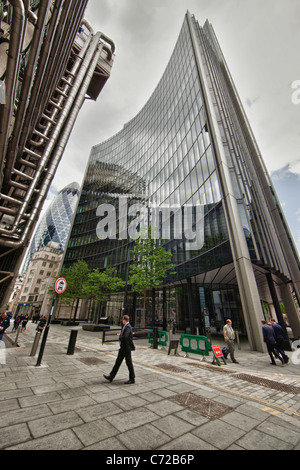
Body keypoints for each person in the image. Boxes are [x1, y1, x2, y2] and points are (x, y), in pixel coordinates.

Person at [104, 315, 135, 384]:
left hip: (126, 348)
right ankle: (111, 376)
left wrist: (120, 338)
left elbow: (126, 336)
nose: (122, 321)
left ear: (125, 320)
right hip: (123, 348)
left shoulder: (128, 327)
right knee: (117, 362)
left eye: (122, 320)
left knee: (129, 363)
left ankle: (132, 378)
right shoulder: (125, 326)